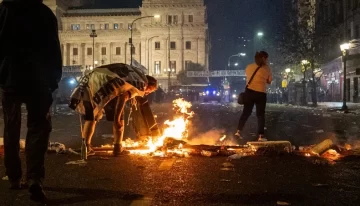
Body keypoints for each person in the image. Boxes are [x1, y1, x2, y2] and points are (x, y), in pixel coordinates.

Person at [0, 0, 62, 203]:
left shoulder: (4, 11)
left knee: (11, 126)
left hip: (10, 79)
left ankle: (14, 176)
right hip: (39, 80)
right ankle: (34, 178)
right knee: (39, 128)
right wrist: (53, 80)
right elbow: (53, 48)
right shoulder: (44, 13)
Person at [69, 63, 158, 156]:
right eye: (149, 91)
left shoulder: (135, 74)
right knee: (119, 120)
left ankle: (86, 147)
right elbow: (123, 97)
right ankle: (117, 148)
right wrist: (117, 118)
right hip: (111, 88)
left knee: (91, 117)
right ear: (148, 85)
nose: (147, 93)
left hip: (93, 82)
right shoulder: (140, 83)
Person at [235, 51, 272, 141]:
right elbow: (269, 81)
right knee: (260, 115)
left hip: (249, 92)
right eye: (267, 58)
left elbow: (248, 76)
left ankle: (238, 131)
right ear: (264, 58)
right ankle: (261, 136)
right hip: (261, 94)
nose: (268, 60)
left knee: (246, 112)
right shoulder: (267, 69)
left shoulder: (249, 67)